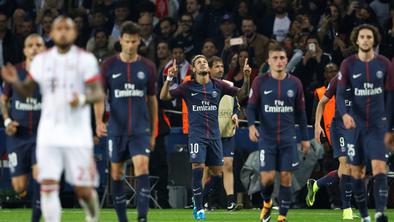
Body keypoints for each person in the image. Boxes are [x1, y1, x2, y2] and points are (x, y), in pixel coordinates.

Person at [1, 16, 104, 222]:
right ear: (52, 33)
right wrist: (15, 82)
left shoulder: (85, 59)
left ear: (74, 33)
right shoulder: (42, 60)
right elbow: (28, 91)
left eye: (68, 28)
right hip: (48, 133)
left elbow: (98, 94)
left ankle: (92, 215)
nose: (63, 32)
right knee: (48, 186)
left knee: (83, 190)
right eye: (59, 28)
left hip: (77, 133)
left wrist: (83, 98)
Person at [160, 54, 250, 220]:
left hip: (215, 137)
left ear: (207, 68)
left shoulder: (218, 85)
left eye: (203, 62)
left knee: (217, 174)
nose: (202, 63)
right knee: (198, 167)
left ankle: (198, 199)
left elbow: (243, 94)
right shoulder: (187, 86)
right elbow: (164, 96)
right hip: (197, 136)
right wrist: (169, 78)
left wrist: (246, 77)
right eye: (198, 62)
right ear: (193, 69)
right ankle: (199, 208)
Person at [95, 21, 158, 222]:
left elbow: (152, 101)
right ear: (121, 40)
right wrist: (98, 121)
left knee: (142, 167)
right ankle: (122, 219)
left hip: (140, 129)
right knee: (116, 173)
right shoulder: (109, 66)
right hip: (116, 128)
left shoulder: (147, 67)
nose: (130, 45)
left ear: (139, 41)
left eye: (134, 41)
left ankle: (142, 218)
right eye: (127, 41)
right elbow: (99, 96)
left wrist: (154, 131)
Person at [336, 24, 394, 222]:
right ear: (357, 40)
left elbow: (390, 96)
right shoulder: (348, 64)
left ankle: (379, 213)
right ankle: (364, 216)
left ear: (374, 40)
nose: (366, 40)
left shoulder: (385, 64)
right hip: (356, 126)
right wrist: (344, 114)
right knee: (357, 171)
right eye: (362, 37)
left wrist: (389, 126)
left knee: (379, 167)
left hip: (378, 126)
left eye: (369, 36)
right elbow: (341, 93)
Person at [247, 45, 310, 222]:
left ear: (286, 59)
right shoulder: (260, 81)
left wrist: (305, 138)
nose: (279, 61)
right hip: (267, 139)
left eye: (282, 58)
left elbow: (301, 113)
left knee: (285, 176)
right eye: (275, 58)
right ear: (268, 61)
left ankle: (282, 216)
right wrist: (251, 126)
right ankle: (267, 203)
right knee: (266, 178)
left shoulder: (295, 83)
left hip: (288, 139)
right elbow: (251, 108)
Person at [0, 34, 45, 222]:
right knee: (19, 186)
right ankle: (28, 194)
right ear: (25, 50)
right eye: (30, 45)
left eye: (38, 45)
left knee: (40, 176)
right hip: (18, 136)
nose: (34, 48)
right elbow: (3, 100)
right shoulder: (15, 73)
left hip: (42, 135)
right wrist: (7, 121)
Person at [306, 63, 353, 220]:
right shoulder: (337, 81)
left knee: (345, 170)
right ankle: (347, 209)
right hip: (339, 127)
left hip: (355, 129)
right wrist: (317, 126)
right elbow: (322, 103)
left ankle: (316, 185)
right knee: (345, 163)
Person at [203, 56, 240, 211]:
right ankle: (202, 200)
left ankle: (231, 201)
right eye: (216, 66)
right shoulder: (203, 87)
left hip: (226, 133)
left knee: (228, 165)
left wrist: (235, 113)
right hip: (208, 134)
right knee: (208, 169)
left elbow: (236, 105)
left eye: (221, 66)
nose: (220, 69)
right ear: (210, 69)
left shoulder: (229, 85)